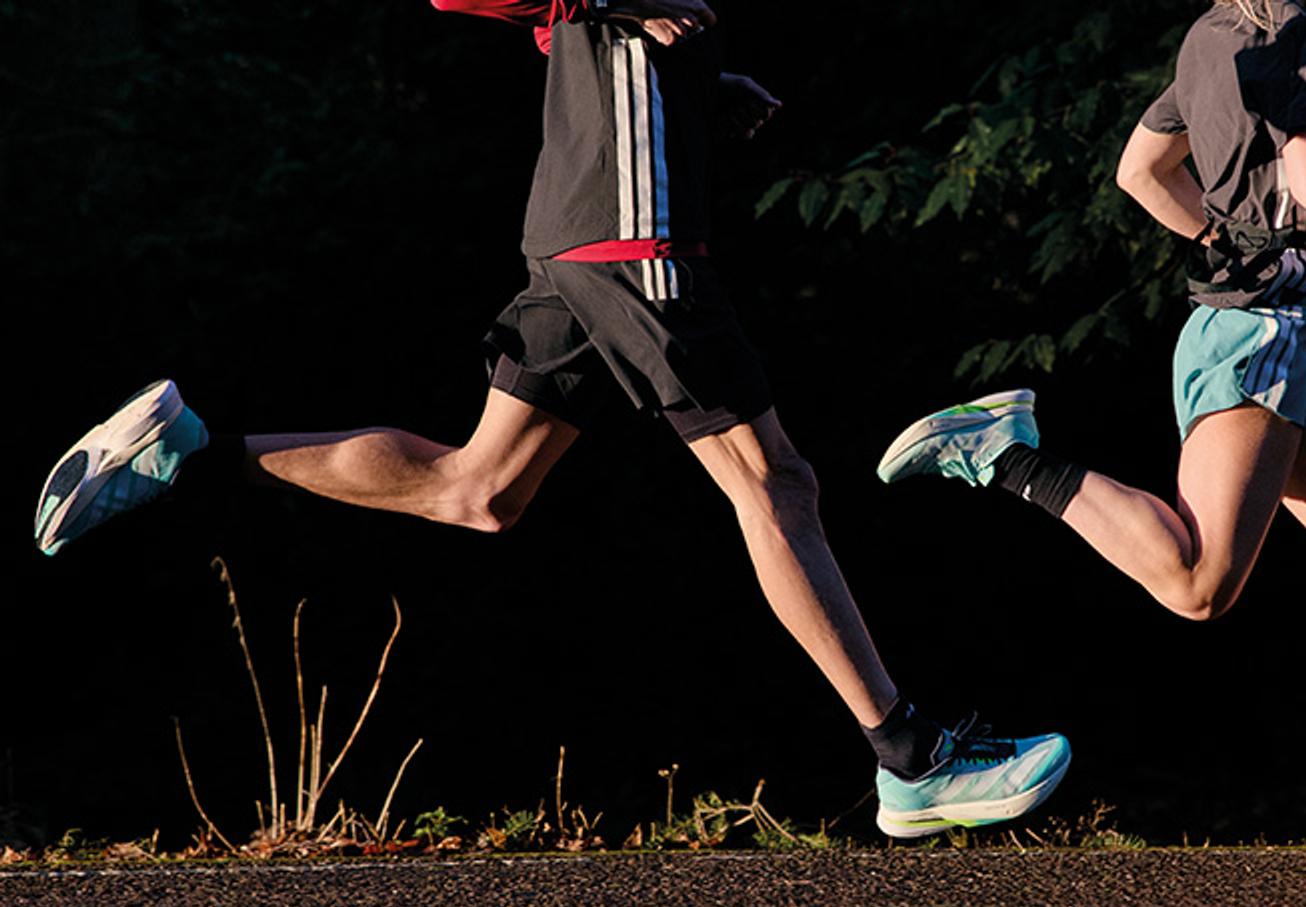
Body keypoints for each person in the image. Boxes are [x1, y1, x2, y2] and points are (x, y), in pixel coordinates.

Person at [32, 0, 1069, 839]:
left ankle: (191, 457)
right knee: (774, 480)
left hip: (586, 233)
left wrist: (700, 82)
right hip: (630, 231)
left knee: (479, 490)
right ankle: (911, 759)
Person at [876, 0, 1306, 868]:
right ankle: (999, 452)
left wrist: (1230, 241)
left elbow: (1141, 170)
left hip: (1295, 336)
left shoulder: (1213, 37)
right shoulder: (1292, 30)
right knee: (1200, 584)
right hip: (1263, 338)